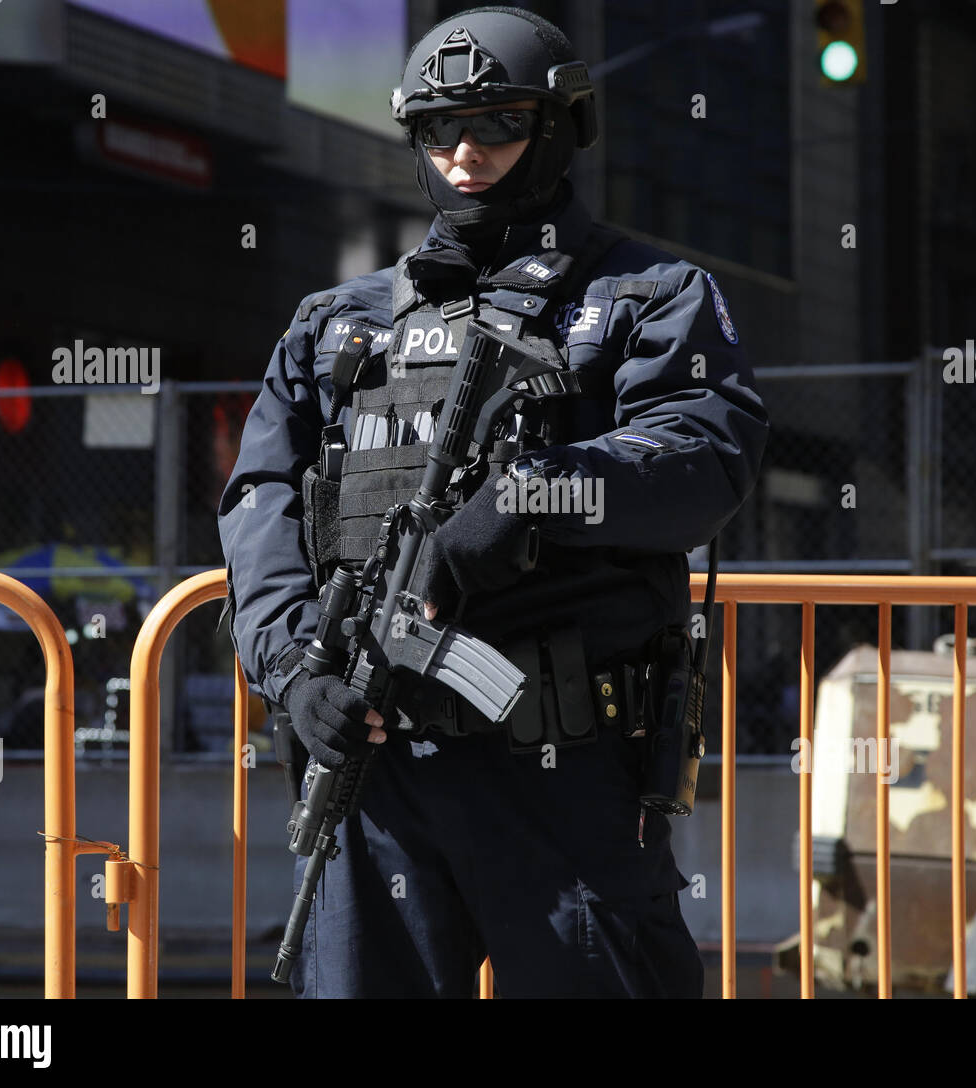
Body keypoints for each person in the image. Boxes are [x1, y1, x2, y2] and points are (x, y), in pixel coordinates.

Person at [217, 5, 769, 998]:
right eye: (439, 127)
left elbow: (704, 451)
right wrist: (295, 668)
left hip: (565, 769)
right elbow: (260, 503)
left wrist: (526, 501)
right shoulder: (336, 324)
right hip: (374, 765)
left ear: (558, 127)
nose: (466, 150)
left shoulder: (646, 294)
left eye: (498, 122)